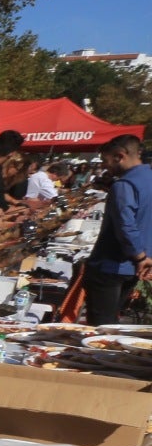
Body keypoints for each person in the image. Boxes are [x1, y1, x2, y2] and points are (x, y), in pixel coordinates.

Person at [80, 134, 152, 325]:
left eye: (106, 160)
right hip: (134, 265)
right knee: (110, 323)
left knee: (101, 326)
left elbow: (125, 225)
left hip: (113, 264)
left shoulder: (124, 185)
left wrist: (140, 257)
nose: (105, 166)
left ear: (120, 156)